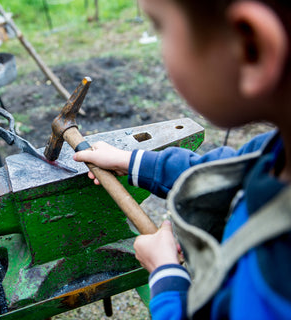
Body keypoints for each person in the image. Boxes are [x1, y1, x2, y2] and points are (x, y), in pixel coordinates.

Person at [74, 0, 291, 319]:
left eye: (160, 27)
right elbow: (220, 172)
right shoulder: (274, 151)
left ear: (250, 47)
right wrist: (132, 161)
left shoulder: (275, 281)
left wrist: (166, 276)